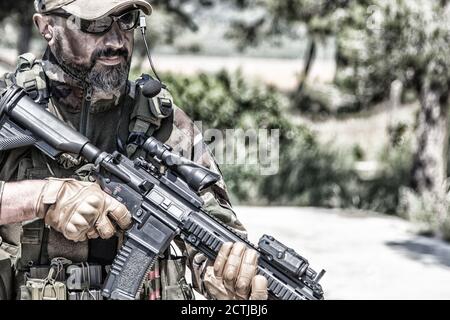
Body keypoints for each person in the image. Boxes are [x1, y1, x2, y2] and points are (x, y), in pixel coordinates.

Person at [0, 0, 268, 300]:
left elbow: (215, 232)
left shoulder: (163, 123)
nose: (116, 41)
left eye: (126, 19)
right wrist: (43, 198)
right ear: (46, 27)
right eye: (96, 23)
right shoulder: (9, 111)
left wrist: (223, 280)